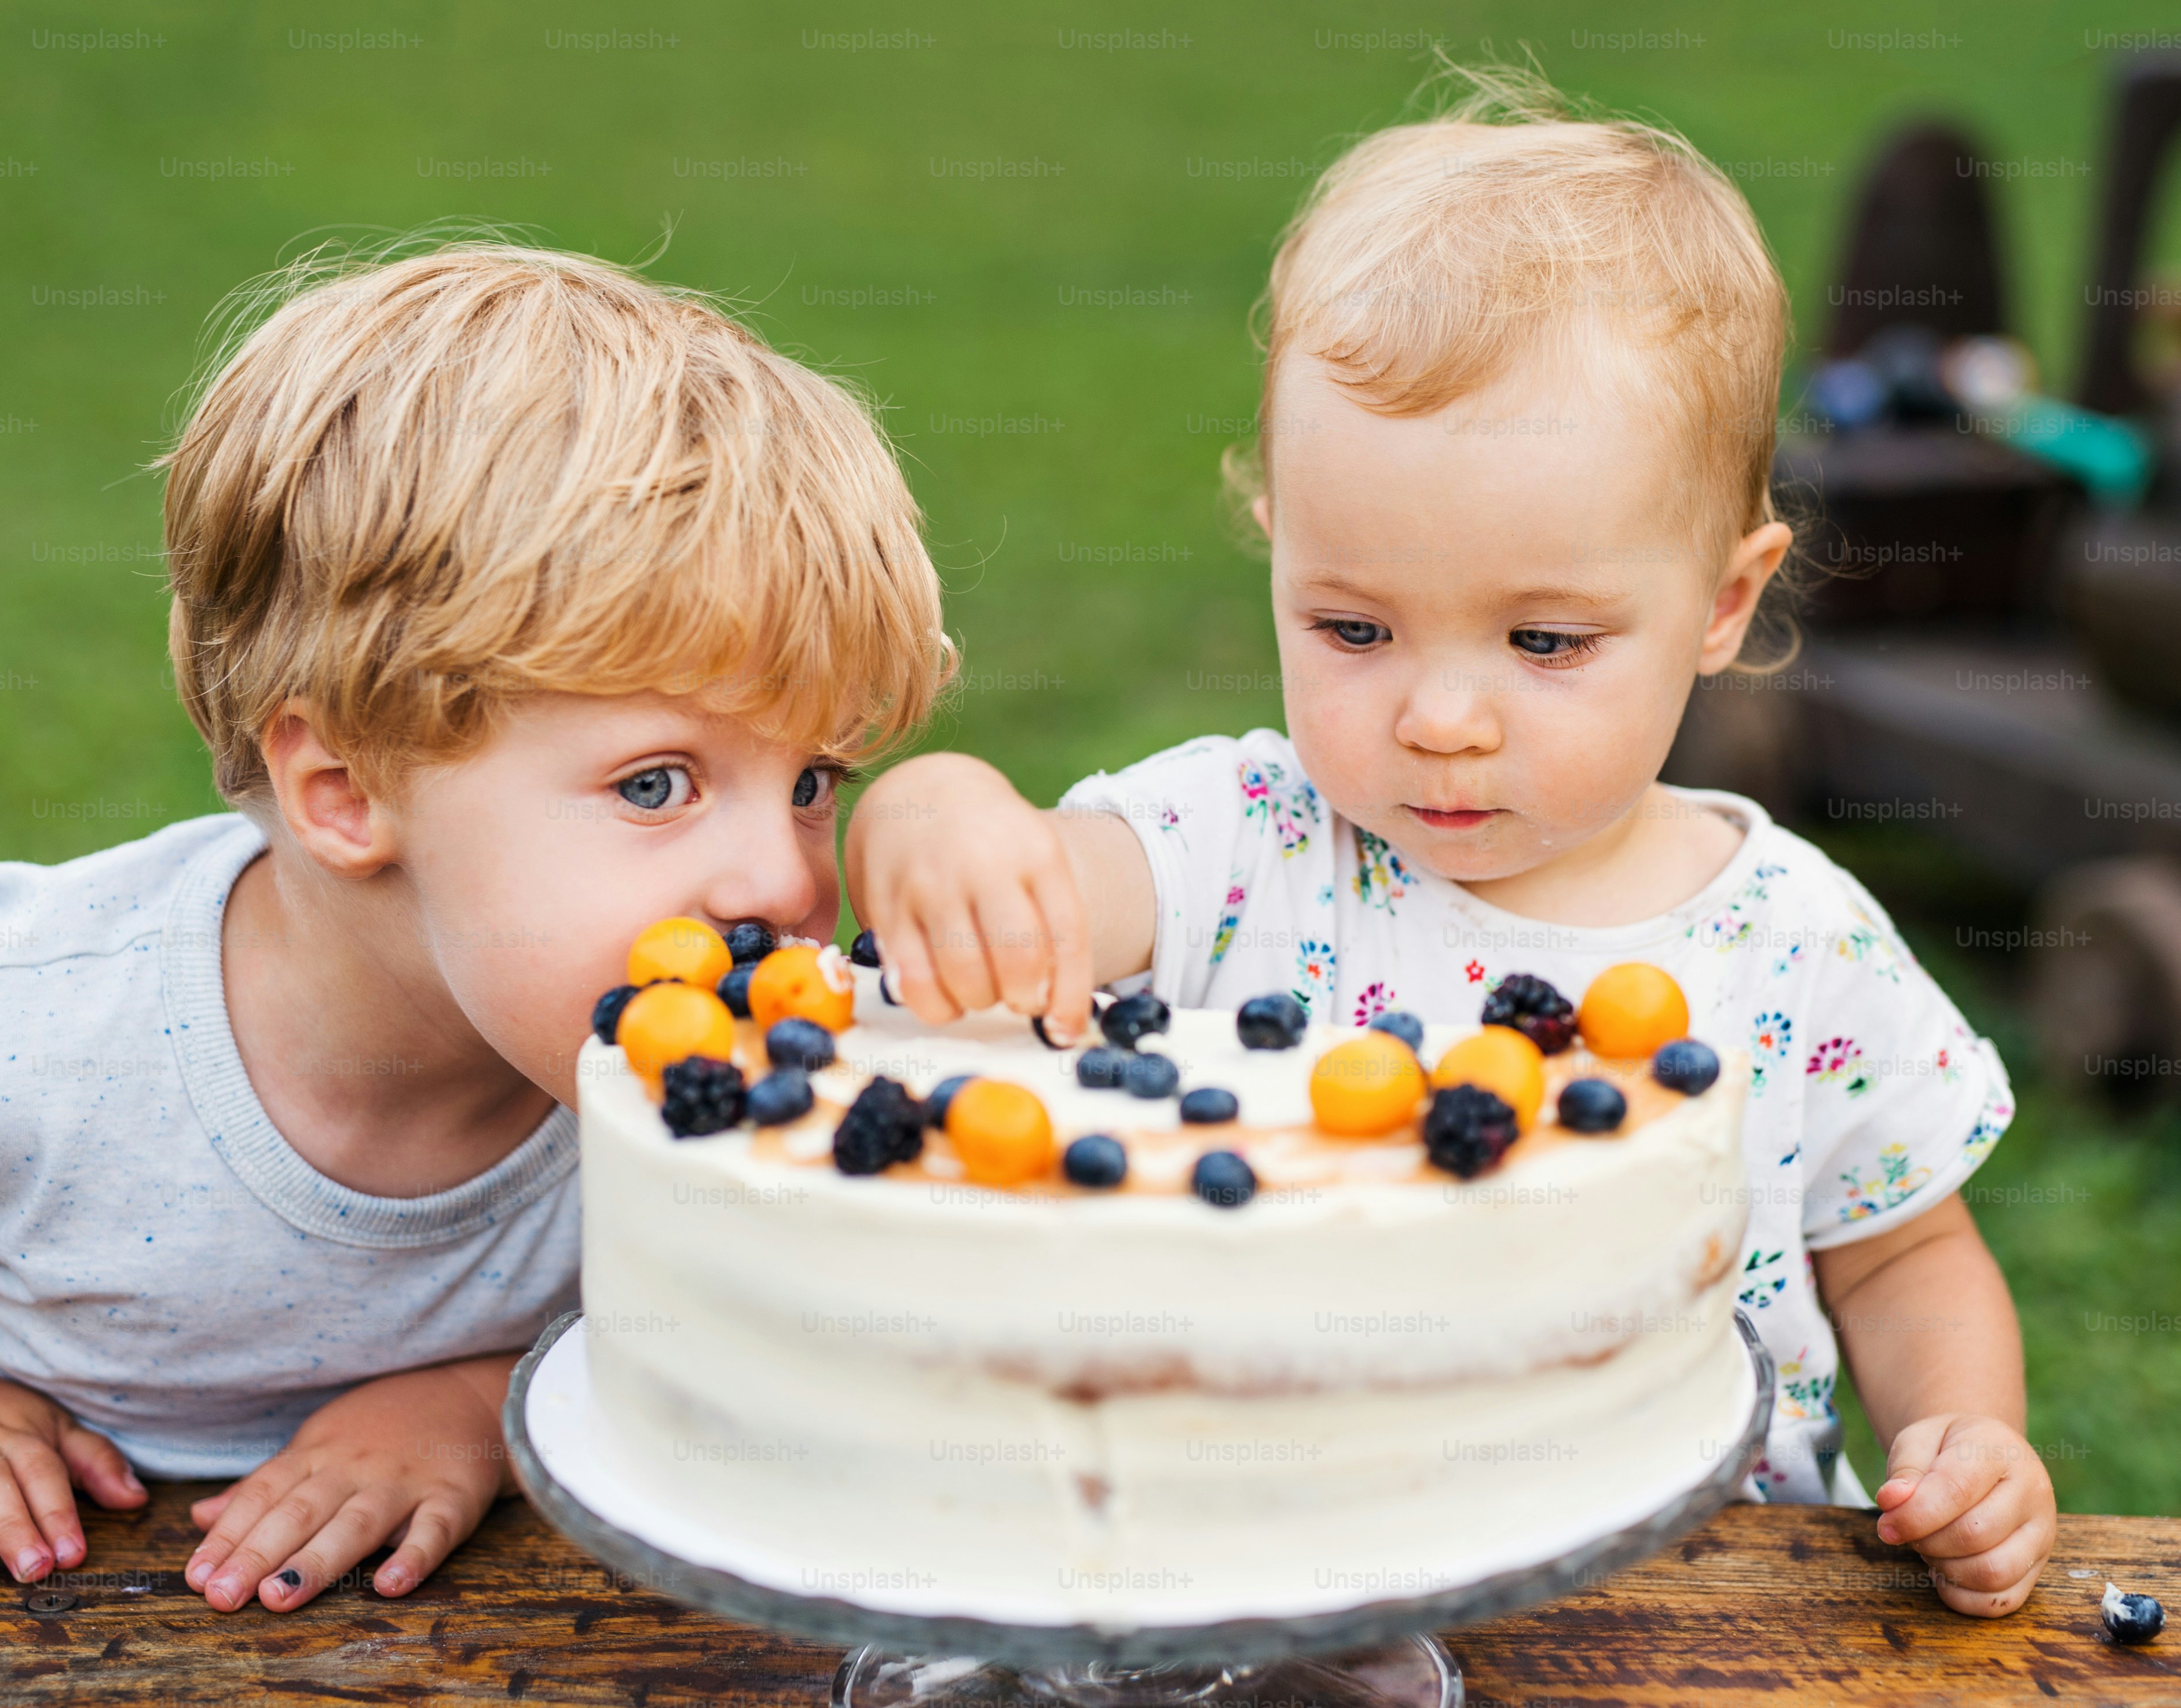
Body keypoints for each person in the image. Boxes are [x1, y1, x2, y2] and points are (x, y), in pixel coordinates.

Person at [846, 71, 2054, 1616]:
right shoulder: (1249, 841)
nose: (1439, 718)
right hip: (1279, 1577)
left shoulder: (1796, 941)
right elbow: (1038, 883)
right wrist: (939, 809)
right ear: (1278, 541)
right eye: (1353, 625)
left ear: (1723, 604)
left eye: (1543, 639)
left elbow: (1898, 1254)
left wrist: (1971, 1435)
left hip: (1696, 1598)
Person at [0, 243, 947, 1612]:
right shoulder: (28, 1036)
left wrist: (479, 1404)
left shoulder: (722, 1076)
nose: (779, 881)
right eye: (654, 784)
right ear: (347, 792)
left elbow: (758, 1318)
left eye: (812, 782)